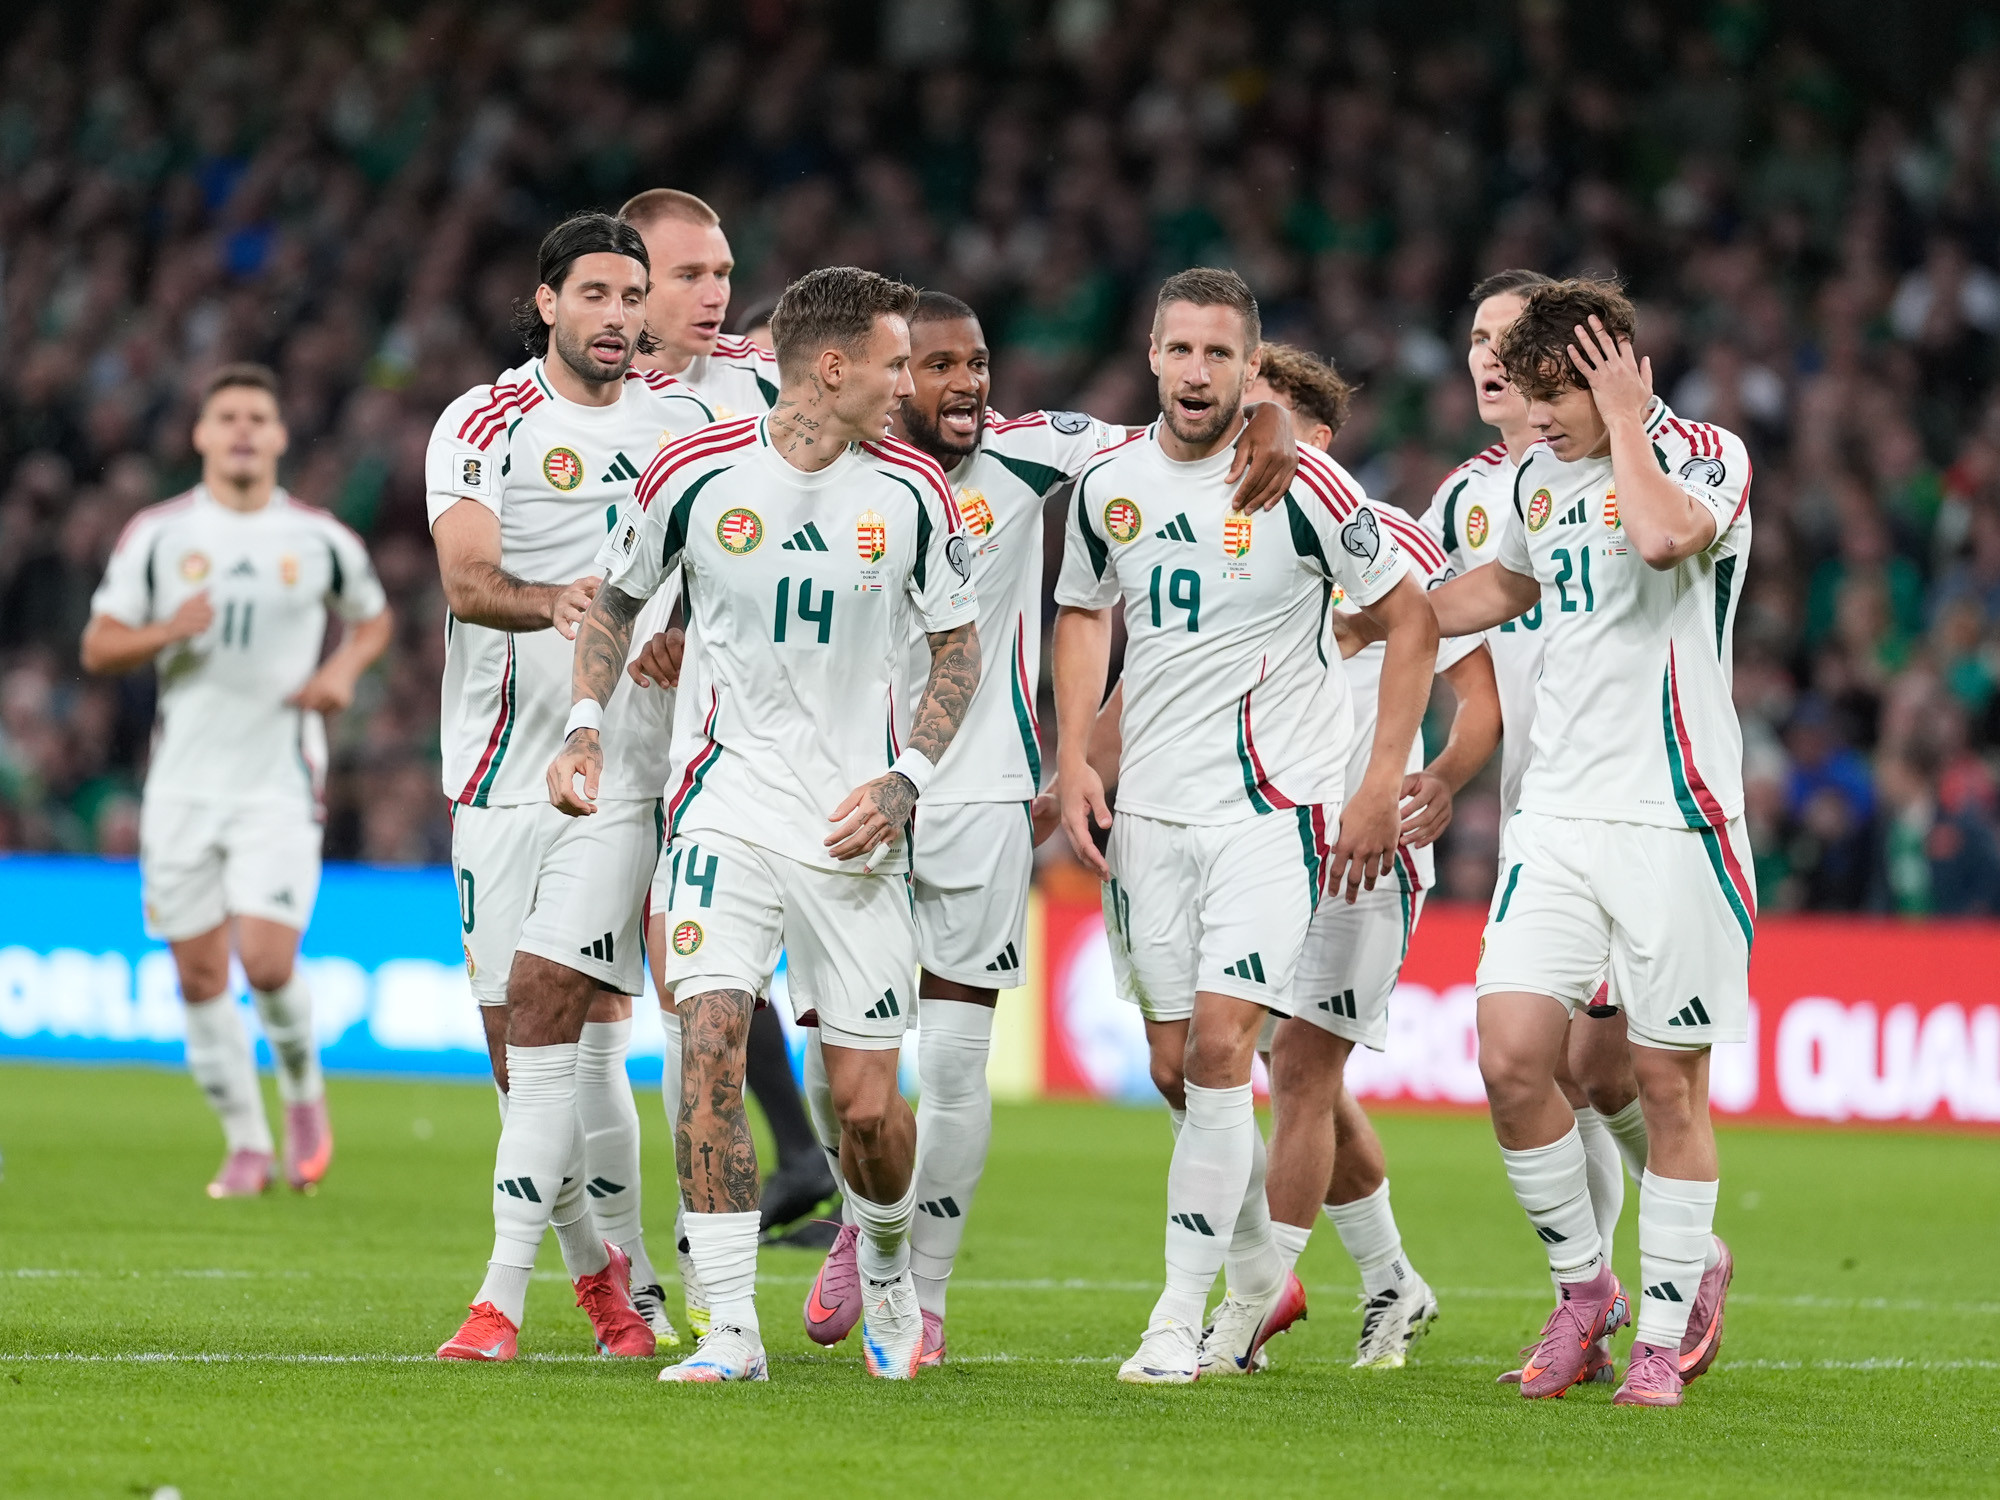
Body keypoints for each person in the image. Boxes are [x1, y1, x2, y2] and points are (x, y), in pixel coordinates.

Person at [796, 290, 1298, 1368]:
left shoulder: (1033, 454)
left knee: (954, 1066)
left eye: (977, 362)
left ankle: (924, 1296)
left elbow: (1174, 434)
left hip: (976, 796)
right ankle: (861, 1211)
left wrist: (1271, 416)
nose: (967, 384)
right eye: (939, 366)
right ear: (894, 377)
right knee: (831, 1069)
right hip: (841, 798)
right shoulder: (832, 469)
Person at [558, 265, 980, 1383]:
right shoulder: (694, 474)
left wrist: (906, 779)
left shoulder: (913, 492)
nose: (908, 384)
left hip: (852, 830)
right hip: (722, 809)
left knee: (867, 1112)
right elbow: (613, 602)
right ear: (832, 368)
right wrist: (586, 724)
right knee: (707, 1045)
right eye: (895, 363)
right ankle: (731, 1329)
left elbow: (957, 648)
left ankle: (883, 1261)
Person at [1052, 269, 1439, 1385]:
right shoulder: (1107, 486)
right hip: (1150, 818)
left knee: (1230, 1050)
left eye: (1218, 354)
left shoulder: (1302, 483)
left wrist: (1380, 781)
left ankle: (1181, 1319)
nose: (1196, 371)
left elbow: (1413, 620)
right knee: (1177, 1068)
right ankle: (1267, 1272)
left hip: (1272, 814)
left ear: (1247, 366)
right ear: (1151, 354)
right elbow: (1082, 612)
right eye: (1179, 349)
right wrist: (1073, 756)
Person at [1427, 277, 1743, 1407]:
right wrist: (1375, 614)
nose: (1533, 412)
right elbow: (1509, 584)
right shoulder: (1532, 478)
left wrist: (1621, 421)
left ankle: (1660, 1340)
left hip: (1674, 817)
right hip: (1554, 816)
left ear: (1611, 373)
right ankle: (1583, 1290)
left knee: (1664, 1084)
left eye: (1554, 393)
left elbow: (1660, 539)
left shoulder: (1704, 455)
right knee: (1511, 1057)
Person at [426, 212, 699, 1362]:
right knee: (522, 1058)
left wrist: (684, 630)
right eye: (594, 293)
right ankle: (604, 1278)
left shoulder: (684, 425)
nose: (617, 316)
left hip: (622, 775)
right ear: (546, 303)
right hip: (498, 771)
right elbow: (465, 577)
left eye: (632, 296)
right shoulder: (484, 420)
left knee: (556, 1011)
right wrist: (554, 602)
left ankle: (498, 1301)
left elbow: (725, 555)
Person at [1417, 270, 1650, 1386]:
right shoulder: (1469, 499)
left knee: (1600, 1075)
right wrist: (1434, 771)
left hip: (1630, 806)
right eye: (1476, 337)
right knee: (1535, 1064)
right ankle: (1587, 1294)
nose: (1489, 357)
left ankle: (1676, 1252)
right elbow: (1439, 645)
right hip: (1537, 813)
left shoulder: (1629, 473)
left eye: (1509, 339)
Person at [82, 364, 391, 1198]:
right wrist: (163, 632)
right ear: (202, 436)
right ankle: (246, 1144)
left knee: (264, 960)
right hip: (182, 784)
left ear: (280, 436)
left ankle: (302, 1094)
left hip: (277, 780)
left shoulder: (317, 538)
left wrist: (341, 672)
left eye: (259, 416)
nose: (244, 429)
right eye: (228, 417)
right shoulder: (159, 534)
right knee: (197, 977)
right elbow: (98, 646)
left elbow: (373, 619)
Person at [618, 190, 834, 1320]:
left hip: (744, 742)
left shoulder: (767, 386)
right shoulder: (580, 404)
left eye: (723, 274)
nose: (715, 295)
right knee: (621, 1006)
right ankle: (638, 1258)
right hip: (611, 742)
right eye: (689, 274)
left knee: (707, 985)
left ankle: (728, 1244)